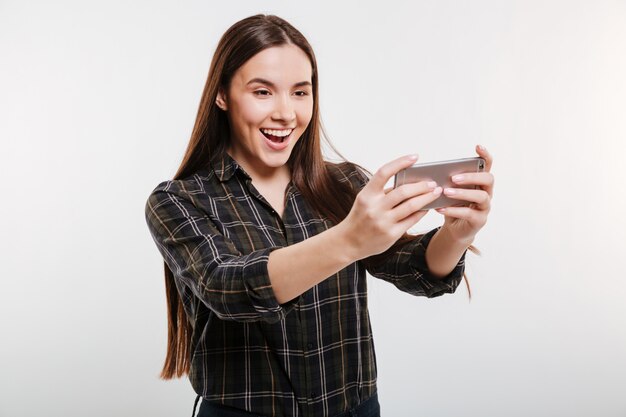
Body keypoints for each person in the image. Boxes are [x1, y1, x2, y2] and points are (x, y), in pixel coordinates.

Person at [144, 13, 494, 417]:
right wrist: (348, 239)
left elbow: (411, 268)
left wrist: (457, 234)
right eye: (262, 92)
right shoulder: (179, 200)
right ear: (222, 95)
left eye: (299, 92)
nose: (285, 114)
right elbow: (228, 288)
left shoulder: (343, 184)